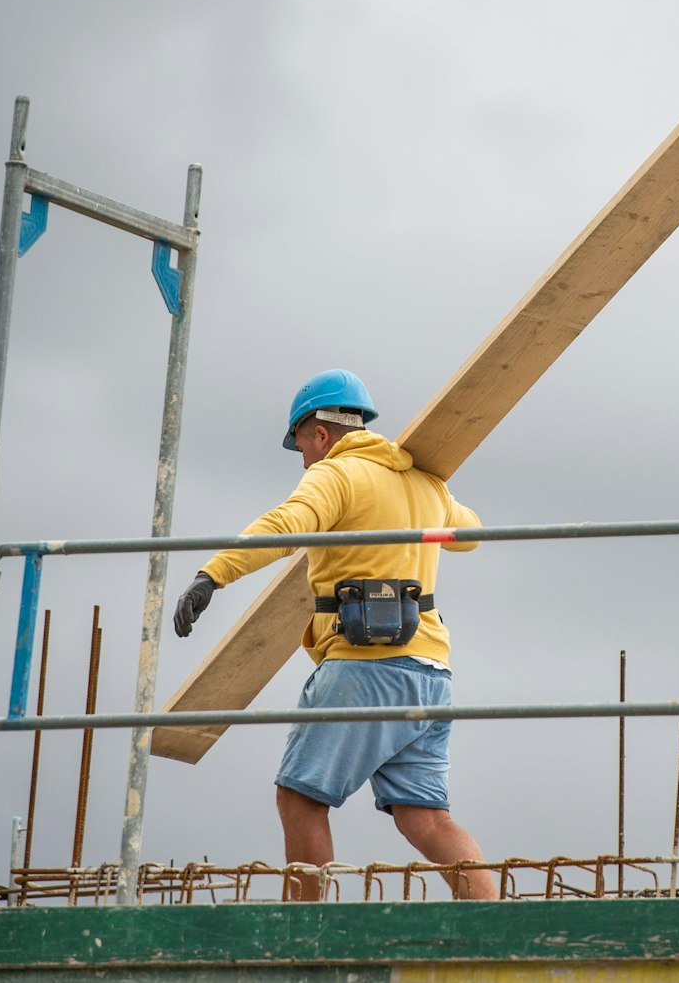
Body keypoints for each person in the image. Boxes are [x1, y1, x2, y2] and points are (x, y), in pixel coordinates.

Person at [172, 369, 497, 900]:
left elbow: (286, 524)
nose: (302, 458)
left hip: (363, 668)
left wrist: (214, 574)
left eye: (300, 443)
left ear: (320, 434)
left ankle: (308, 933)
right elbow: (471, 535)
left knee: (299, 798)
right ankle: (493, 923)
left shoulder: (336, 475)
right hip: (430, 673)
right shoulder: (423, 482)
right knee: (425, 817)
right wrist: (424, 494)